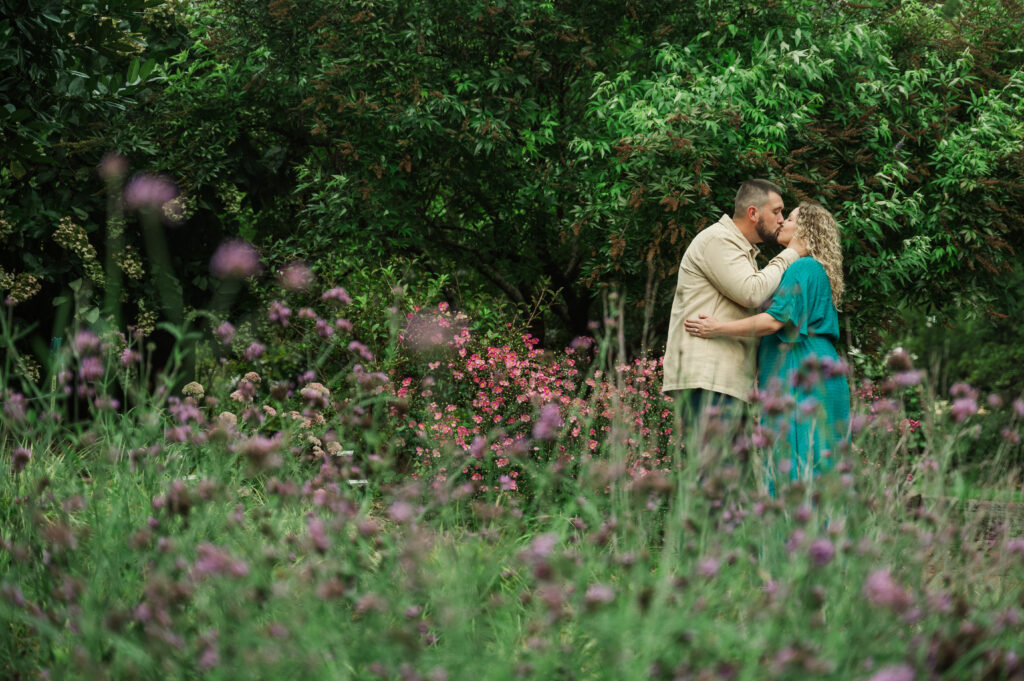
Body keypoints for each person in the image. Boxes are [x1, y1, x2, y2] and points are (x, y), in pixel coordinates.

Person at [683, 202, 850, 492]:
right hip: (819, 369)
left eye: (791, 218)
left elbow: (776, 321)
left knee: (797, 464)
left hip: (803, 371)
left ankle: (795, 537)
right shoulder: (813, 268)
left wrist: (718, 328)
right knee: (820, 467)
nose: (783, 222)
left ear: (806, 229)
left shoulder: (803, 267)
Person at [661, 179, 808, 418]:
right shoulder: (717, 240)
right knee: (715, 456)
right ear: (753, 213)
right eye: (776, 211)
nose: (781, 219)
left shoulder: (740, 250)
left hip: (725, 382)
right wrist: (791, 253)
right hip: (708, 380)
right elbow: (751, 292)